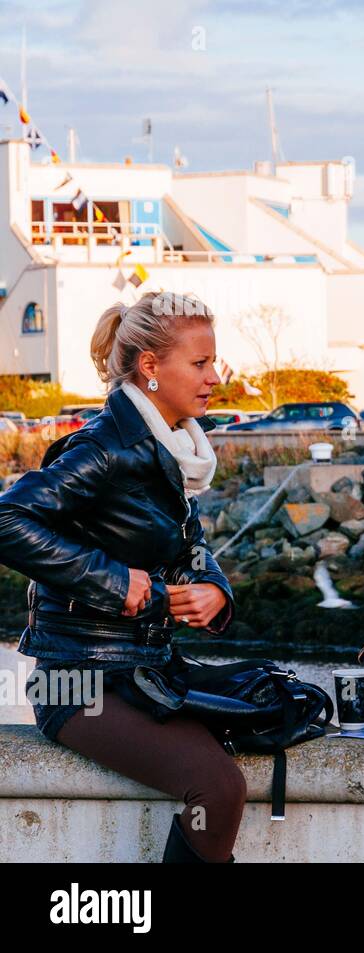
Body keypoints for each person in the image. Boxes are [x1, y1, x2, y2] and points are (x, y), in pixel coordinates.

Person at [0, 292, 242, 862]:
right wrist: (114, 581)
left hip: (139, 670)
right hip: (76, 680)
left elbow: (190, 547)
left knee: (273, 713)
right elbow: (8, 518)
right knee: (219, 786)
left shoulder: (172, 448)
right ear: (151, 368)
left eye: (214, 362)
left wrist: (214, 591)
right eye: (200, 363)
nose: (214, 377)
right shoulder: (105, 446)